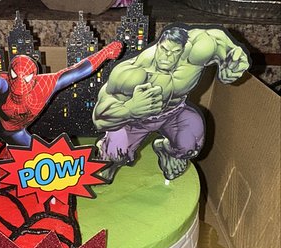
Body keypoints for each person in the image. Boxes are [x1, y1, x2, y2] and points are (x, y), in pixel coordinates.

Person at [0, 19, 123, 162]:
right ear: (10, 75)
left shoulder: (46, 85)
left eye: (26, 78)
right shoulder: (5, 83)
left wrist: (106, 52)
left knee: (50, 162)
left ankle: (11, 148)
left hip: (17, 135)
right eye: (15, 76)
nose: (20, 84)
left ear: (34, 78)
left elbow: (78, 71)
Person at [93, 25, 249, 180]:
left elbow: (221, 42)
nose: (168, 57)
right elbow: (100, 117)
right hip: (135, 121)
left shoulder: (197, 50)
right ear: (158, 46)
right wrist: (129, 110)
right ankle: (107, 152)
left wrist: (234, 60)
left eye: (175, 52)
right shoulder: (133, 73)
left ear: (183, 49)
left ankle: (167, 150)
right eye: (164, 50)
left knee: (191, 146)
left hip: (173, 113)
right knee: (116, 154)